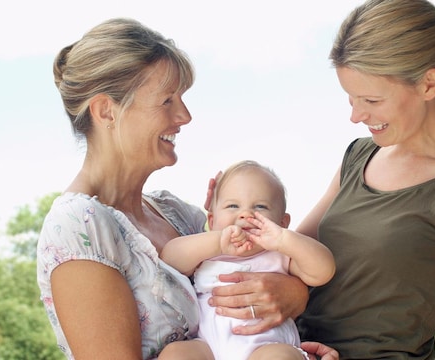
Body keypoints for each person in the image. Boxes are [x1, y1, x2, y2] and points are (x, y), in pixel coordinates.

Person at [35, 18, 313, 360]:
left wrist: (291, 315)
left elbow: (263, 272)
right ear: (106, 110)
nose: (185, 115)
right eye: (167, 100)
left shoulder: (178, 214)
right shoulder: (80, 228)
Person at [291, 0, 435, 359]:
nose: (356, 115)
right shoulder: (358, 157)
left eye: (371, 100)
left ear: (428, 84)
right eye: (350, 98)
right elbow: (287, 257)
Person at [159, 160, 336, 360]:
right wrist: (217, 241)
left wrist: (284, 239)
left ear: (282, 222)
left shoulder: (280, 255)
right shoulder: (207, 252)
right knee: (176, 354)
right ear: (212, 220)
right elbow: (170, 259)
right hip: (208, 347)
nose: (245, 214)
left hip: (267, 347)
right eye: (232, 205)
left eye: (260, 207)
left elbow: (323, 271)